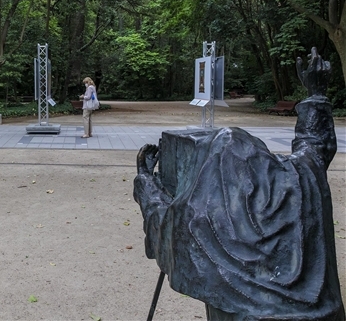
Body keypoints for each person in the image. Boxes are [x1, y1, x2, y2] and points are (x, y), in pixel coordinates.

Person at [133, 48, 344, 320]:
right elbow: (316, 146)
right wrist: (316, 93)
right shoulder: (298, 179)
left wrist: (146, 179)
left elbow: (161, 225)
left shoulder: (200, 212)